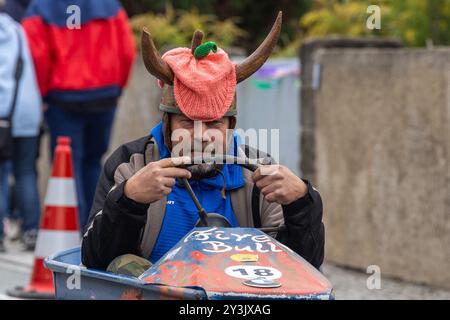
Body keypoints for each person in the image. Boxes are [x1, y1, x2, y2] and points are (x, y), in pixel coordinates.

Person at [82, 12, 325, 272]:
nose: (201, 136)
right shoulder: (131, 164)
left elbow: (302, 270)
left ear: (230, 126)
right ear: (168, 125)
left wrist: (301, 203)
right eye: (187, 122)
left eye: (214, 123)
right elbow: (95, 261)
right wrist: (128, 199)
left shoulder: (259, 174)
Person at [21, 0, 136, 230]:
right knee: (94, 162)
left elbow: (37, 55)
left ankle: (71, 229)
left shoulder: (41, 7)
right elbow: (127, 50)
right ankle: (94, 226)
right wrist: (117, 87)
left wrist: (42, 94)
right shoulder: (110, 5)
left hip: (63, 98)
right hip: (104, 95)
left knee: (66, 166)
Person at [0, 11, 42, 251]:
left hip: (2, 113)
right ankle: (31, 231)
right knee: (26, 172)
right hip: (26, 111)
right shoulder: (16, 29)